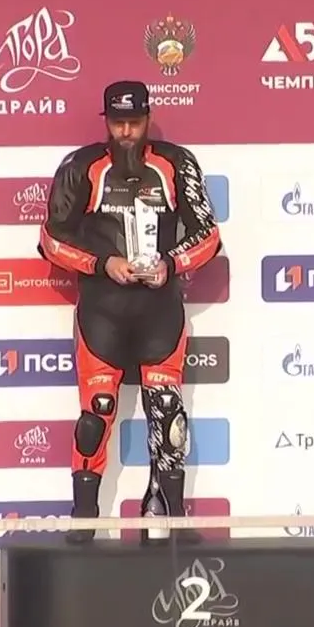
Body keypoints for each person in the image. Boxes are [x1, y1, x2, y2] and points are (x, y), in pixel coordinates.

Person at [38, 80, 222, 544]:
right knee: (95, 416)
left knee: (169, 416)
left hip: (159, 311)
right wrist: (103, 264)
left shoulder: (177, 163)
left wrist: (170, 264)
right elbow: (50, 239)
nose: (126, 132)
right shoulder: (81, 166)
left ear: (147, 119)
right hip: (103, 312)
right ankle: (84, 519)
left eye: (134, 122)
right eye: (118, 122)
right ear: (106, 122)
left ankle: (170, 516)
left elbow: (209, 235)